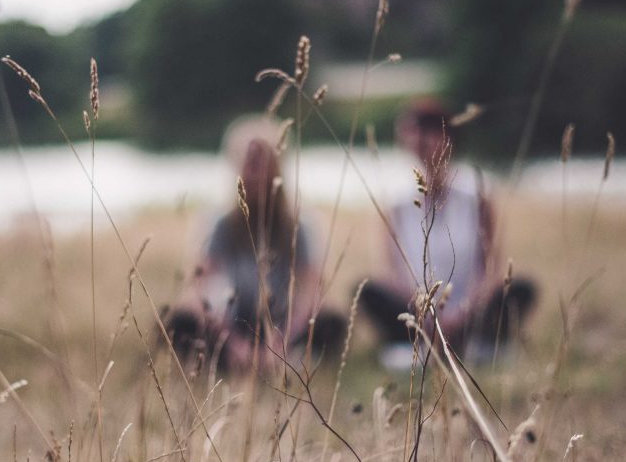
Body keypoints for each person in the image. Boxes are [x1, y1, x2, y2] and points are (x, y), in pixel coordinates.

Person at [359, 99, 535, 366]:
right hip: (417, 310)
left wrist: (464, 312)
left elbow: (490, 267)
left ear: (448, 138)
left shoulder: (478, 193)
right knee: (368, 291)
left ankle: (445, 343)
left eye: (429, 133)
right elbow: (392, 271)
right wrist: (424, 314)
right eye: (415, 134)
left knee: (519, 289)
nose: (422, 142)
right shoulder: (396, 201)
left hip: (469, 308)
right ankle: (440, 342)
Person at [166, 116, 342, 373]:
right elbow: (200, 289)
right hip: (232, 321)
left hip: (284, 324)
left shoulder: (301, 224)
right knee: (179, 321)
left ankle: (282, 359)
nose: (255, 170)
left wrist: (282, 342)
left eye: (263, 161)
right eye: (249, 161)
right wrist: (234, 343)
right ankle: (241, 361)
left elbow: (312, 289)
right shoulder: (219, 223)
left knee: (331, 321)